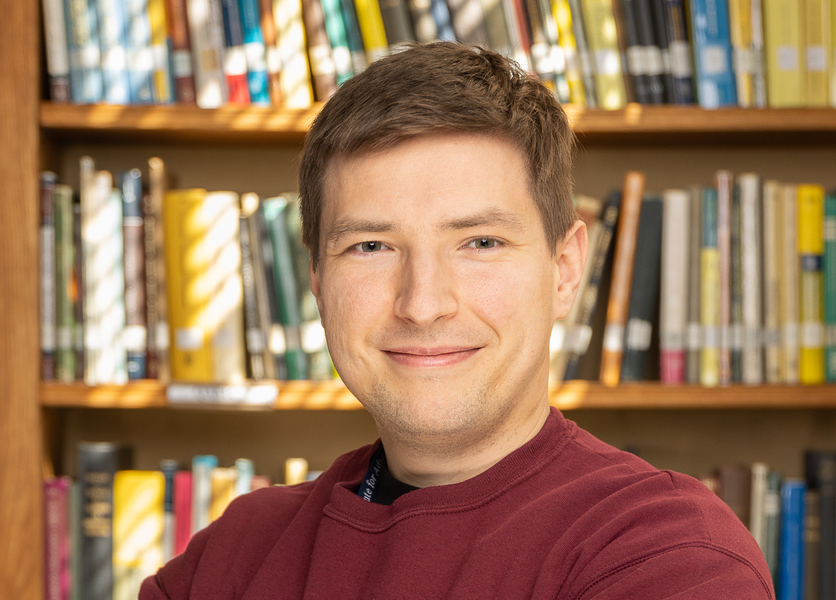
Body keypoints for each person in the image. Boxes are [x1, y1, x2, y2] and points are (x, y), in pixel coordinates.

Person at [140, 43, 774, 599]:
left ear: (564, 269)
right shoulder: (231, 556)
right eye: (371, 246)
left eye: (481, 243)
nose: (423, 303)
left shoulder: (664, 554)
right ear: (316, 282)